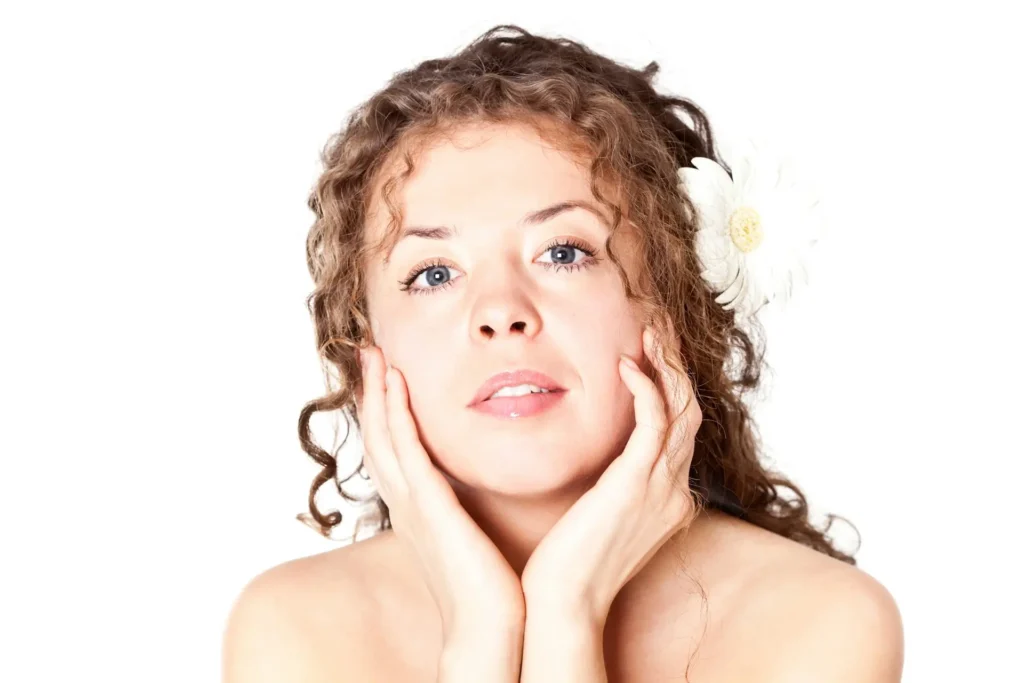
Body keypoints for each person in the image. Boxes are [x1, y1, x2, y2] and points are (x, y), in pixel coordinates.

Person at [222, 24, 904, 683]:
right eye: (433, 272)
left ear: (673, 301)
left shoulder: (818, 622)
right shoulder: (293, 631)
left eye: (563, 252)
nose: (500, 312)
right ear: (366, 348)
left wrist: (566, 610)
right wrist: (482, 630)